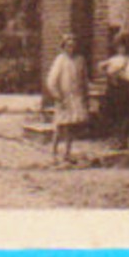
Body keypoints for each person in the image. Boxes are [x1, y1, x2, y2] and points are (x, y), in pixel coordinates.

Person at [45, 33, 90, 164]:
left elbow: (84, 79)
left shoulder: (80, 60)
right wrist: (57, 95)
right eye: (68, 46)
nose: (71, 49)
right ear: (64, 47)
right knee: (60, 125)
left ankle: (67, 153)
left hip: (75, 96)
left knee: (71, 126)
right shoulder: (60, 60)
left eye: (73, 46)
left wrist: (85, 96)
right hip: (63, 97)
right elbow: (51, 80)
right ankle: (53, 153)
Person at [98, 32, 129, 150]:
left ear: (128, 47)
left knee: (123, 115)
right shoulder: (114, 59)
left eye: (123, 46)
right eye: (118, 46)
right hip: (112, 89)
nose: (120, 49)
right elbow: (101, 67)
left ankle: (122, 140)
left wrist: (121, 75)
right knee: (112, 115)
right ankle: (115, 139)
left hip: (123, 90)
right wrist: (105, 68)